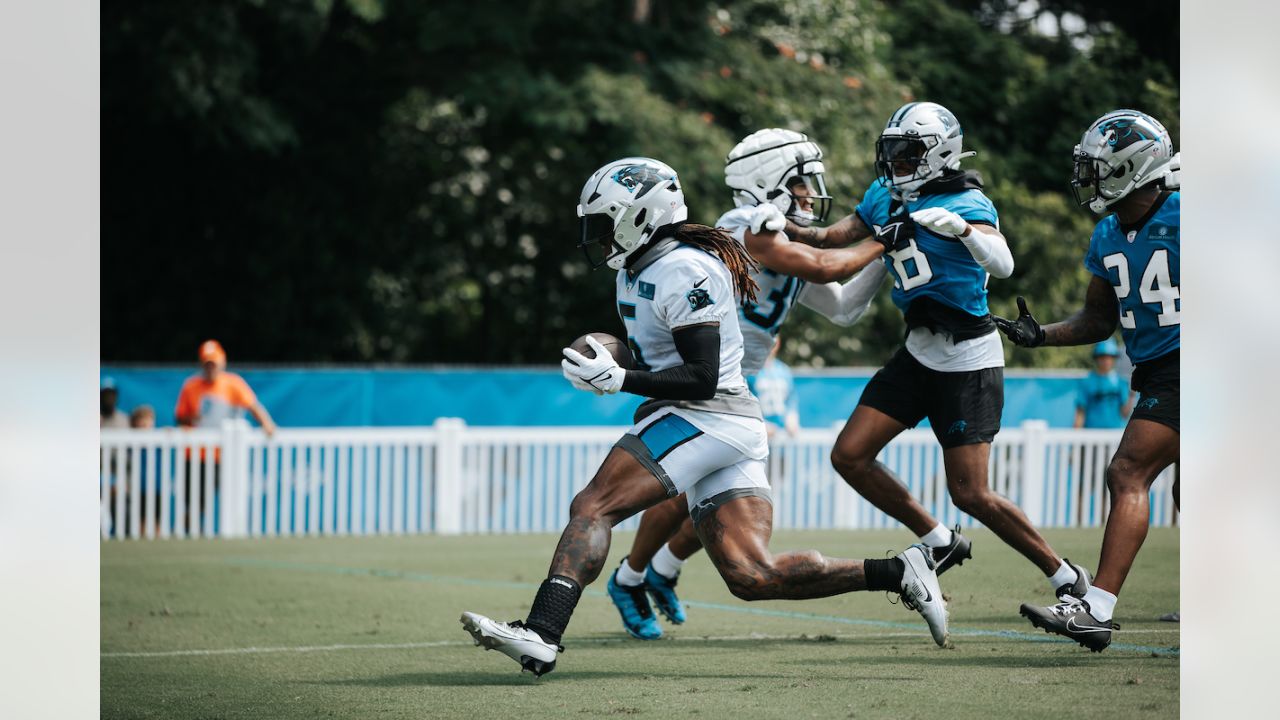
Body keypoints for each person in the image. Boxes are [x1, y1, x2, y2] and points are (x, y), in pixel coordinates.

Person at [461, 157, 948, 677]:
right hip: (726, 422)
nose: (598, 237)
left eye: (606, 224)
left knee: (594, 504)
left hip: (707, 414)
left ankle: (542, 632)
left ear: (642, 216)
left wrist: (621, 379)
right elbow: (657, 354)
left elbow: (701, 377)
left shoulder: (683, 268)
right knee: (752, 576)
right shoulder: (642, 264)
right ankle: (899, 572)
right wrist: (609, 361)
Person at [790, 101, 1092, 604]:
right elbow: (830, 243)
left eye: (907, 154)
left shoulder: (968, 203)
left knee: (971, 493)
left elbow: (1005, 264)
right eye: (892, 153)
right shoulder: (884, 196)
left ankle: (1065, 576)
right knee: (850, 455)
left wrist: (965, 232)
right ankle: (939, 540)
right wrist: (771, 236)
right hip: (917, 353)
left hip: (968, 359)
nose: (895, 165)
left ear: (939, 155)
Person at [603, 130, 889, 640]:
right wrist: (888, 238)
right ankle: (630, 578)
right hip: (700, 377)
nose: (809, 193)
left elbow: (845, 309)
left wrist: (885, 260)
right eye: (800, 182)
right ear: (769, 184)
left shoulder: (785, 236)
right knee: (680, 492)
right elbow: (826, 262)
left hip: (740, 389)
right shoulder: (744, 227)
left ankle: (658, 572)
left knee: (724, 500)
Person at [995, 109, 1180, 652]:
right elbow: (1099, 320)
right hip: (1155, 367)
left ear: (1131, 167)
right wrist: (1041, 336)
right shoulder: (1106, 232)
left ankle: (1095, 608)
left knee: (1128, 471)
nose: (1087, 178)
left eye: (1099, 168)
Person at [175, 340, 276, 437]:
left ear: (222, 362)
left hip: (224, 449)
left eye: (213, 364)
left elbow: (253, 406)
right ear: (202, 364)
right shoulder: (190, 385)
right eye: (207, 364)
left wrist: (267, 423)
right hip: (197, 450)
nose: (210, 368)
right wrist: (195, 418)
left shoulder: (234, 383)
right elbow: (179, 418)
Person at [1075, 339, 1134, 429]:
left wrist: (1131, 395)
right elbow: (1080, 412)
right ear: (1097, 358)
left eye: (1110, 357)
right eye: (1103, 356)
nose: (1106, 360)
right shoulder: (1086, 382)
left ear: (1114, 358)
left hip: (1114, 437)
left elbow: (1124, 414)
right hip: (1091, 436)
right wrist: (1076, 435)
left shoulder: (1120, 382)